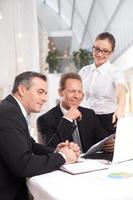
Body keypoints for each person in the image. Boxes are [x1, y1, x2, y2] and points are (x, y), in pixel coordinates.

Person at [0, 71, 80, 200]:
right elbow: (23, 165)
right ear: (22, 89)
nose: (45, 98)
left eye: (45, 93)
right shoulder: (8, 113)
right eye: (40, 92)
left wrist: (57, 150)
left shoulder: (13, 110)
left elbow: (30, 145)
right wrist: (63, 157)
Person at [37, 72, 114, 154]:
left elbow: (103, 140)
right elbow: (50, 151)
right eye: (72, 91)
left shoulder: (89, 114)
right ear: (60, 92)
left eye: (79, 92)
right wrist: (67, 119)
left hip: (90, 164)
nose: (76, 96)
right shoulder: (45, 119)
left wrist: (110, 145)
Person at [79, 32, 127, 135]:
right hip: (87, 120)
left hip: (108, 120)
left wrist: (120, 108)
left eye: (105, 51)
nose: (100, 54)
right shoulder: (84, 71)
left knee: (108, 150)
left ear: (111, 53)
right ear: (93, 48)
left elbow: (121, 88)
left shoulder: (115, 72)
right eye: (97, 49)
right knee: (88, 150)